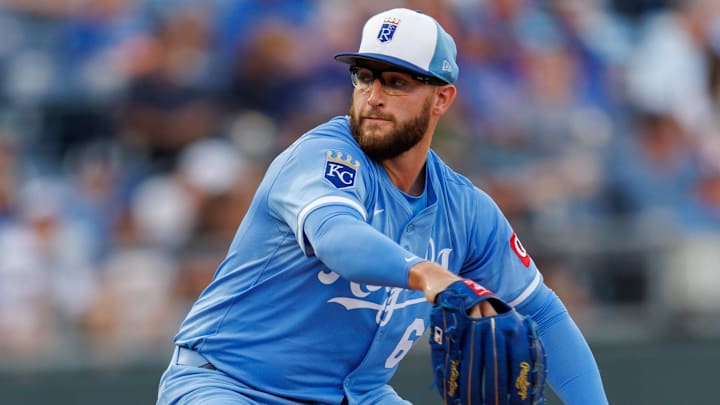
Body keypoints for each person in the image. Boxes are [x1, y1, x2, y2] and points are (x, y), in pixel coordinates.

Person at [156, 8, 608, 405]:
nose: (373, 96)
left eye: (396, 82)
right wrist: (426, 273)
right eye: (364, 76)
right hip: (233, 385)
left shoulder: (466, 210)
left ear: (442, 98)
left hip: (357, 395)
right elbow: (337, 235)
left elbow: (543, 314)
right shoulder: (322, 156)